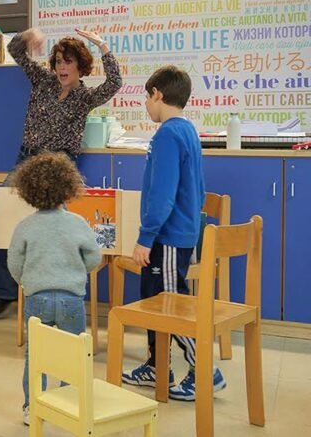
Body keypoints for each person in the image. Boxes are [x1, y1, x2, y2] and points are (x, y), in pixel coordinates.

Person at [0, 28, 123, 320]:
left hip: (61, 166)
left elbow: (115, 82)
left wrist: (102, 45)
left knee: (54, 227)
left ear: (80, 66)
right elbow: (15, 51)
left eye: (68, 62)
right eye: (58, 61)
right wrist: (27, 35)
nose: (61, 67)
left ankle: (60, 293)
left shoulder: (85, 96)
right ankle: (6, 293)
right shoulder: (42, 80)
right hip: (27, 162)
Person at [120, 65, 226, 401]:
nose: (146, 107)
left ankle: (206, 371)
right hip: (177, 234)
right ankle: (157, 365)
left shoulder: (166, 134)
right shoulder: (186, 130)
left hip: (166, 239)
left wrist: (145, 237)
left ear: (157, 94)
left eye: (146, 100)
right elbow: (196, 186)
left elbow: (162, 194)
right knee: (155, 303)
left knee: (171, 308)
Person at [6, 152, 101, 425]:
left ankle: (31, 407)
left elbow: (14, 263)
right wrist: (77, 270)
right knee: (73, 354)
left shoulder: (25, 226)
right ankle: (67, 403)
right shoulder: (78, 224)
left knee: (36, 356)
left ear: (29, 191)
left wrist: (26, 282)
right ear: (68, 188)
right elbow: (93, 258)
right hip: (71, 299)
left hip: (37, 299)